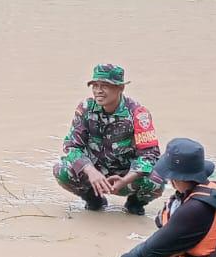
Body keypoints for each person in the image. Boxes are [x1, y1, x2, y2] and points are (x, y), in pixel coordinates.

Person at [54, 64, 163, 214]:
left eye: (105, 86)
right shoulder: (86, 108)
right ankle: (94, 200)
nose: (98, 91)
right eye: (95, 85)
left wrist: (126, 180)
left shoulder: (138, 113)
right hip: (94, 173)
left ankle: (134, 204)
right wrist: (90, 170)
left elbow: (150, 155)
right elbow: (72, 147)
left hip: (126, 176)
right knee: (62, 170)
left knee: (157, 179)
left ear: (120, 88)